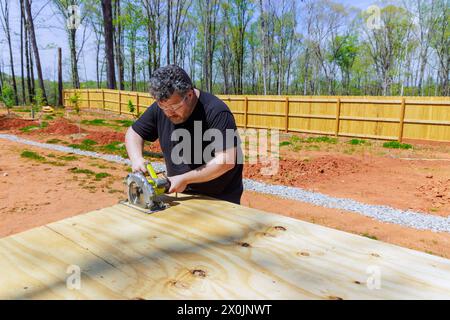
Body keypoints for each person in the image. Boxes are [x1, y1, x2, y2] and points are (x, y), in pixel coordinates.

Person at [125, 65, 243, 205]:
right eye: (164, 108)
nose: (168, 113)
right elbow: (133, 133)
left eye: (174, 107)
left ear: (189, 95)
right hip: (179, 194)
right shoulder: (162, 106)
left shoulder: (217, 111)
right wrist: (137, 158)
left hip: (220, 198)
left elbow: (226, 160)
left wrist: (185, 179)